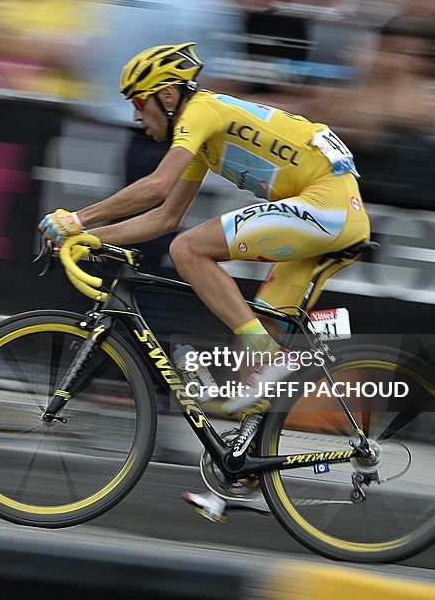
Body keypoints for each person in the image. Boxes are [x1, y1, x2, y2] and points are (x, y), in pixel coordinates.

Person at [38, 42, 371, 522]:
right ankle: (247, 475)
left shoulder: (203, 111)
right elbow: (165, 214)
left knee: (192, 253)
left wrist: (75, 219)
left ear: (168, 96)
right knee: (261, 348)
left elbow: (154, 187)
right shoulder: (204, 136)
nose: (135, 117)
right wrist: (90, 237)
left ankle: (266, 359)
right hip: (330, 211)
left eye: (138, 101)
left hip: (327, 205)